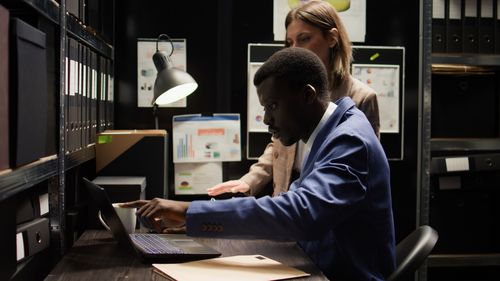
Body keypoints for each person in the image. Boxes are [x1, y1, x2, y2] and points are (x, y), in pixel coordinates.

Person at [121, 47, 396, 281]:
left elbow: (301, 214)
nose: (266, 119)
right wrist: (198, 222)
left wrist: (190, 211)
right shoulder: (329, 133)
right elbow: (295, 202)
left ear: (308, 95)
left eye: (273, 106)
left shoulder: (350, 141)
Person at [207, 0, 380, 198]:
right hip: (286, 200)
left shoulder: (361, 98)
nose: (294, 49)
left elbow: (362, 169)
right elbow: (278, 145)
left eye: (304, 38)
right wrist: (248, 182)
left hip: (325, 208)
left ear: (332, 38)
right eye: (289, 43)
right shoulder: (291, 90)